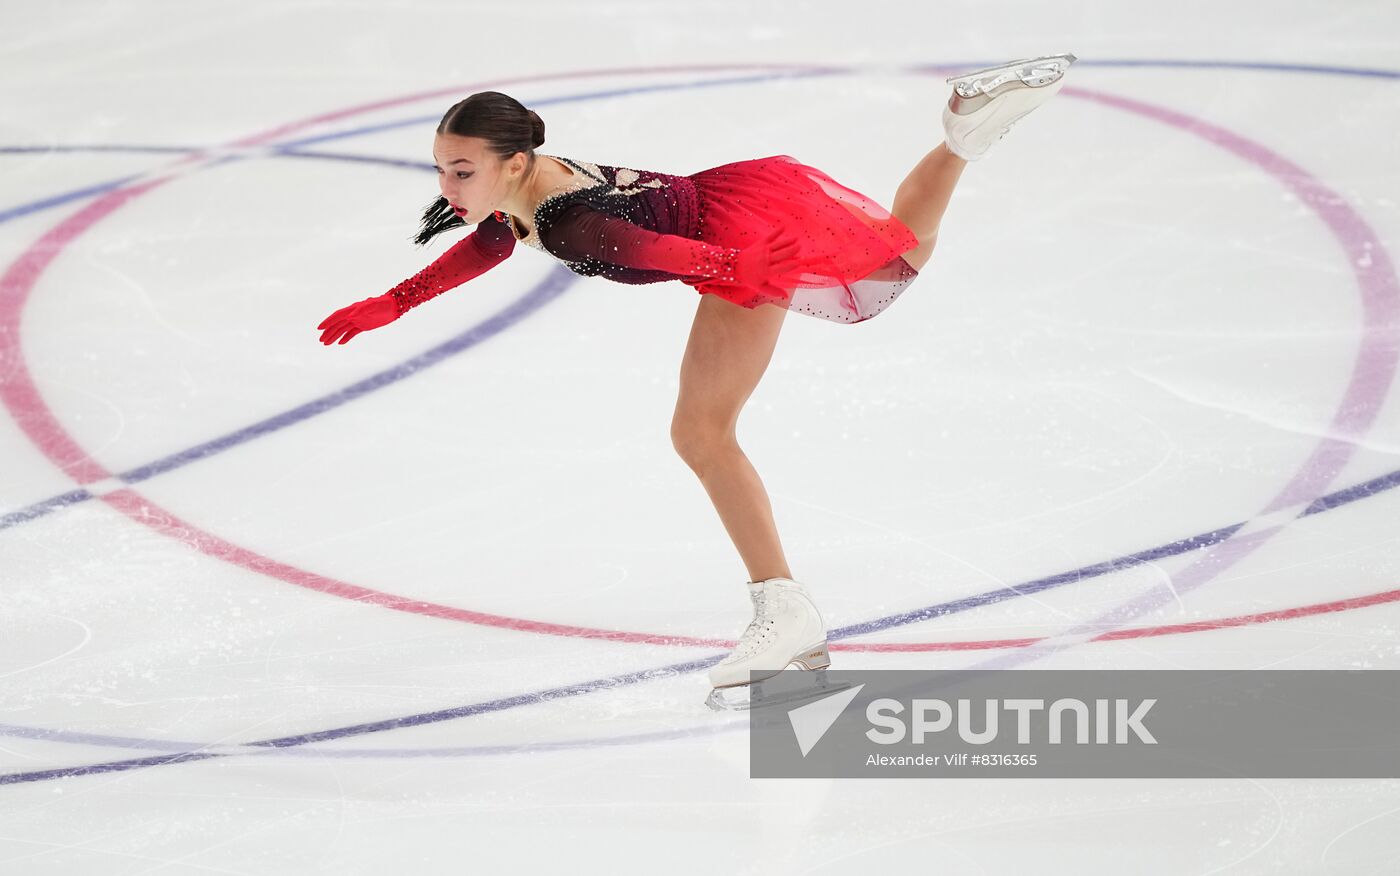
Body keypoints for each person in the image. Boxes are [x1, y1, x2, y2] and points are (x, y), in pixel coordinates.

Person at [315, 53, 1078, 709]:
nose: (449, 185)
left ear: (513, 162)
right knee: (901, 249)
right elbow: (489, 243)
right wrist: (394, 301)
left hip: (732, 242)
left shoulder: (569, 221)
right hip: (731, 215)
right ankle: (963, 136)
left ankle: (785, 610)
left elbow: (659, 254)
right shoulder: (529, 189)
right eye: (444, 168)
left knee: (704, 433)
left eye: (462, 169)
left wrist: (744, 271)